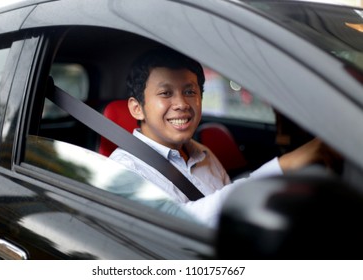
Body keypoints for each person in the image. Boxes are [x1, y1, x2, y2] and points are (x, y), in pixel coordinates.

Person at [110, 47, 336, 227]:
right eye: (165, 93)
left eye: (190, 92)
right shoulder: (123, 168)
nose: (181, 104)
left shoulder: (203, 152)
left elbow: (232, 209)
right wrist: (285, 166)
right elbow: (179, 223)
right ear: (137, 108)